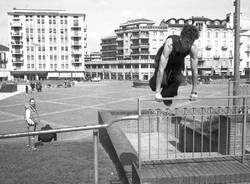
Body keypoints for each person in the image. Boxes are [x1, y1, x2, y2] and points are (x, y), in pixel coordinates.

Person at [149, 24, 199, 106]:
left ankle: (167, 94)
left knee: (178, 79)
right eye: (187, 42)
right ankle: (153, 84)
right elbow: (161, 69)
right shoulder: (170, 44)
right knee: (162, 81)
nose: (188, 45)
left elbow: (194, 70)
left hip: (177, 59)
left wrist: (194, 92)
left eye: (191, 42)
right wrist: (157, 92)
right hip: (163, 56)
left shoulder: (193, 48)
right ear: (181, 37)